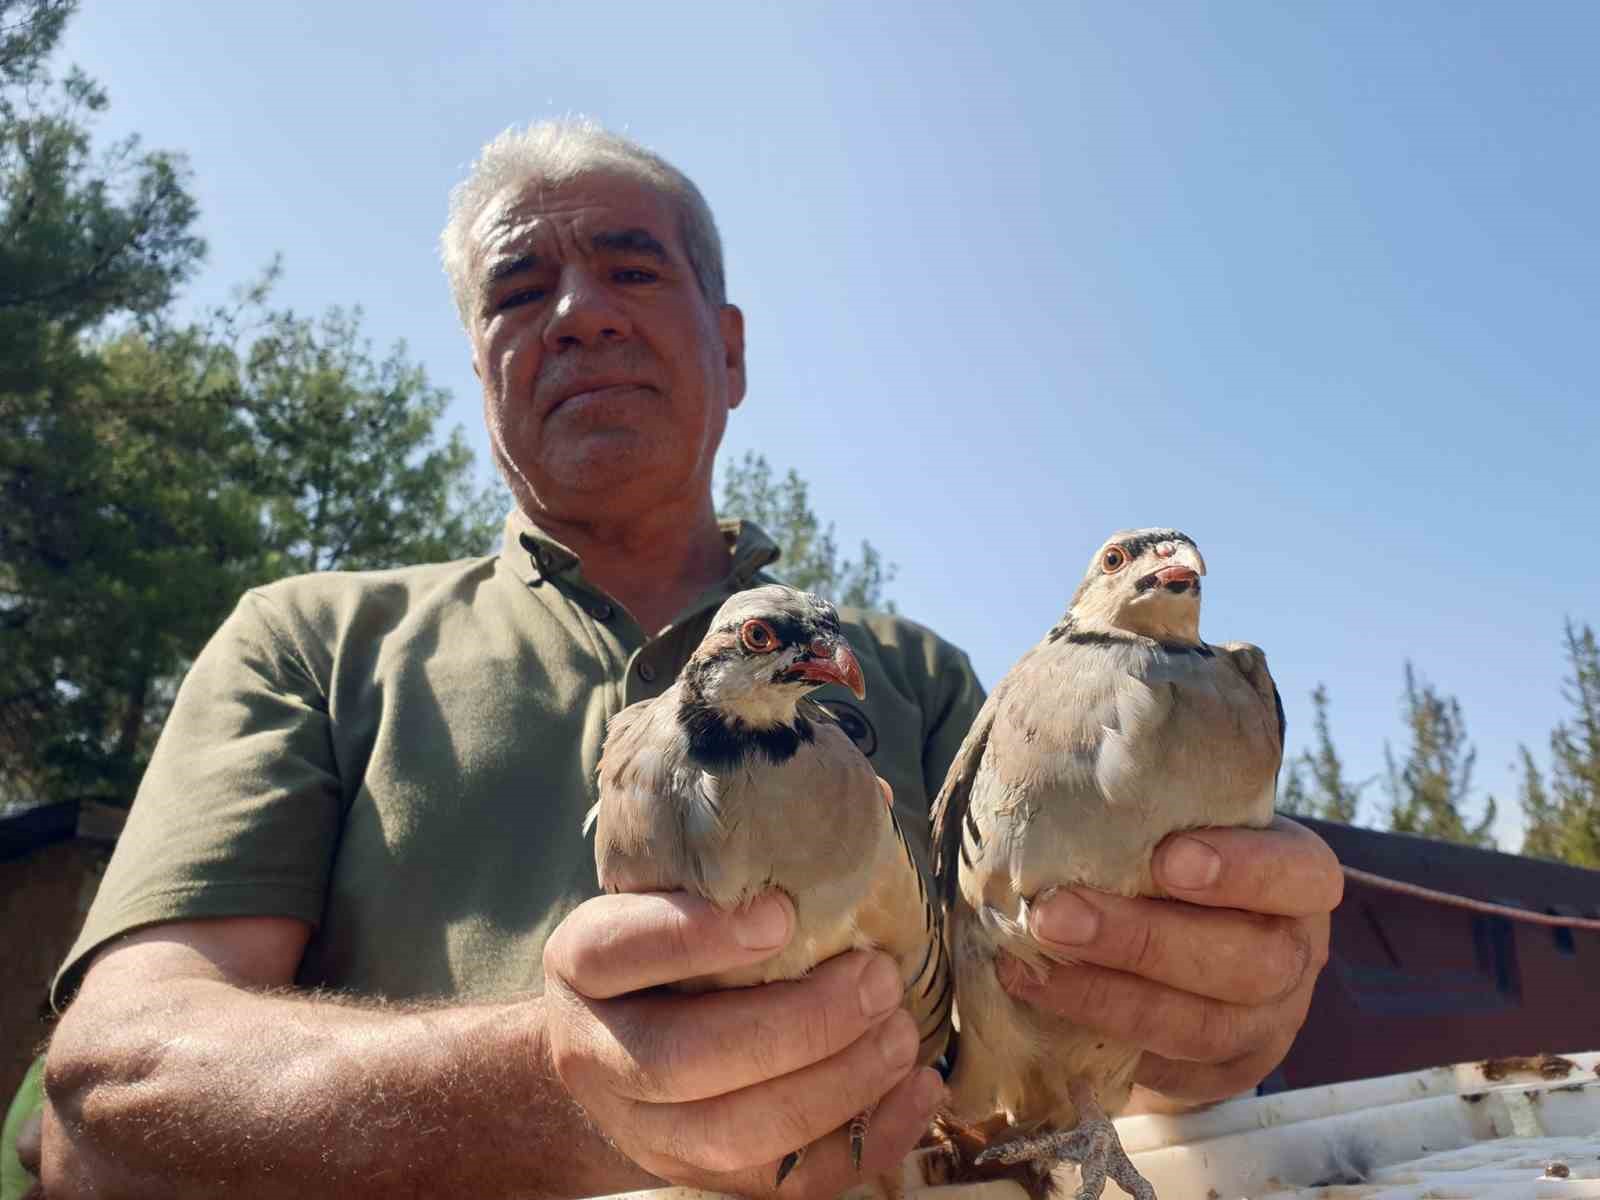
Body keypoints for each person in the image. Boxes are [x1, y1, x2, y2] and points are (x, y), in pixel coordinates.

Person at [30, 121, 1342, 1200]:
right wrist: (550, 1088)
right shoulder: (313, 642)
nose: (579, 315)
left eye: (630, 270)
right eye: (517, 290)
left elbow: (1049, 1045)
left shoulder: (924, 682)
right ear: (480, 368)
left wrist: (1202, 1024)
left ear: (733, 350)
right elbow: (119, 1073)